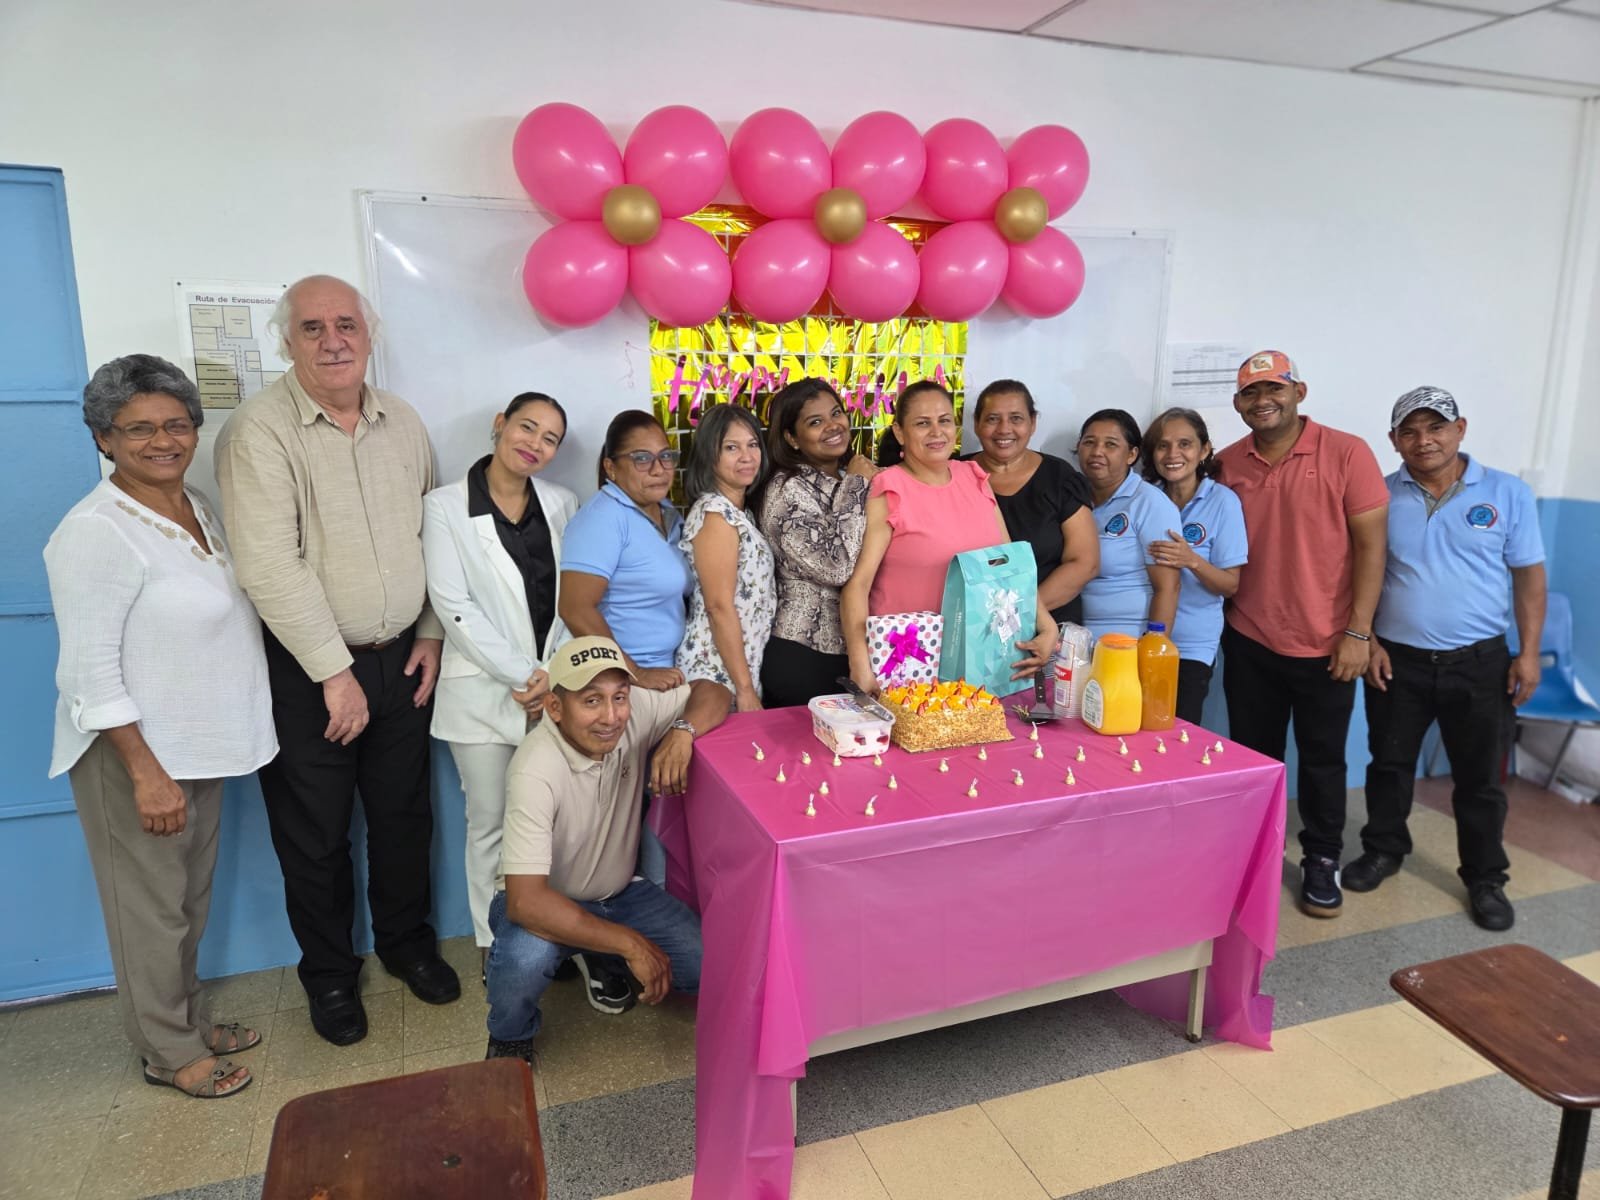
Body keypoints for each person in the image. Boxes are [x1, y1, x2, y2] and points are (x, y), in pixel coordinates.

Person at [216, 275, 459, 1047]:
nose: (333, 341)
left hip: (401, 660)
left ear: (369, 333)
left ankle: (406, 945)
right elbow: (267, 566)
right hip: (309, 672)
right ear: (287, 341)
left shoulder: (404, 422)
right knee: (315, 837)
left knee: (403, 818)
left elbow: (433, 534)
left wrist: (430, 631)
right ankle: (328, 974)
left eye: (346, 324)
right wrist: (331, 671)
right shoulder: (258, 432)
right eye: (313, 328)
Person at [45, 355, 277, 1098]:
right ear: (103, 438)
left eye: (176, 424)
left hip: (196, 746)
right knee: (148, 913)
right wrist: (145, 772)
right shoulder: (96, 531)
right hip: (135, 758)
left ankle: (183, 1021)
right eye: (138, 428)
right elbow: (88, 671)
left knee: (184, 905)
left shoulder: (195, 507)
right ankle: (167, 1051)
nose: (163, 441)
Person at [1348, 387, 1546, 931]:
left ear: (1460, 429)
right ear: (1394, 441)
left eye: (1436, 427)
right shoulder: (1380, 495)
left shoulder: (1507, 493)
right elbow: (1359, 573)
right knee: (1389, 765)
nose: (1424, 440)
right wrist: (1369, 641)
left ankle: (1485, 878)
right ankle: (1384, 850)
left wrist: (1528, 654)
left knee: (1480, 779)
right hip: (1397, 660)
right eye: (1410, 431)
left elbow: (1529, 578)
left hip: (1480, 663)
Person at [484, 637, 731, 1063]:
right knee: (524, 959)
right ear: (555, 707)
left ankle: (598, 952)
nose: (611, 716)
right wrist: (632, 944)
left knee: (706, 963)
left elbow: (714, 691)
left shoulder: (631, 715)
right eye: (591, 700)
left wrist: (682, 732)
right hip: (547, 901)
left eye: (619, 696)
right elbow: (525, 902)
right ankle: (510, 1036)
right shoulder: (533, 768)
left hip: (620, 893)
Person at [1215, 351, 1388, 920]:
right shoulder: (1227, 463)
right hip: (1250, 636)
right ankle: (1256, 853)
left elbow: (1372, 549)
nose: (1263, 400)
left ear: (1299, 392)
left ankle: (1321, 858)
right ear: (1238, 403)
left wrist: (1359, 632)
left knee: (1322, 761)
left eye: (1274, 388)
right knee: (1255, 757)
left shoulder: (1348, 452)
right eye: (1250, 392)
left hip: (1329, 643)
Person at [422, 392, 578, 965]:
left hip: (552, 689)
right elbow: (452, 604)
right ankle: (495, 948)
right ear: (499, 425)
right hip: (481, 693)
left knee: (547, 824)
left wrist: (551, 673)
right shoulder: (444, 506)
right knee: (489, 823)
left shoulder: (563, 503)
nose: (535, 444)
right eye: (527, 427)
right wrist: (525, 674)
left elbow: (573, 596)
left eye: (550, 438)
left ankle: (547, 936)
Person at [842, 380, 1058, 694]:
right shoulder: (888, 487)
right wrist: (859, 665)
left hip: (980, 659)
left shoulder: (974, 477)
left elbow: (1010, 568)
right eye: (922, 423)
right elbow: (858, 585)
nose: (936, 432)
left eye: (944, 421)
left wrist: (1047, 626)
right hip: (909, 661)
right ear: (900, 432)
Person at [755, 378, 876, 708]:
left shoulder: (846, 476)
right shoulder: (786, 489)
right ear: (791, 438)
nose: (832, 426)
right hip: (805, 655)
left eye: (836, 413)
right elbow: (835, 567)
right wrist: (857, 483)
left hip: (855, 650)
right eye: (815, 422)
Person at [559, 411, 692, 692]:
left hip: (671, 668)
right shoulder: (602, 518)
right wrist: (634, 672)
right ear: (611, 467)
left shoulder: (669, 514)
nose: (658, 469)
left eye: (665, 456)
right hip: (619, 681)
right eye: (642, 458)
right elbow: (575, 609)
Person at [1142, 408, 1248, 724]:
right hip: (1140, 637)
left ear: (1204, 450)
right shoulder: (1146, 498)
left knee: (1174, 735)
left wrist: (1192, 560)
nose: (1173, 454)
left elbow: (1230, 585)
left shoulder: (1222, 501)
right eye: (1163, 445)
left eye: (1185, 444)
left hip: (1189, 648)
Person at [966, 379, 1099, 627]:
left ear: (1033, 422)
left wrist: (1020, 610)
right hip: (971, 626)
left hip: (1050, 626)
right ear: (976, 423)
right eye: (993, 419)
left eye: (1016, 418)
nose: (1004, 429)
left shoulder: (1059, 477)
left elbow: (1084, 562)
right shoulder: (955, 474)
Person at [675, 404, 777, 711]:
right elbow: (718, 607)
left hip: (738, 666)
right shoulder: (715, 514)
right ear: (710, 455)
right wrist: (744, 689)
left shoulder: (739, 513)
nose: (747, 457)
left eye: (752, 445)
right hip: (715, 670)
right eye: (731, 447)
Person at [1076, 409, 1182, 641]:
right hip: (1073, 639)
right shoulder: (1070, 496)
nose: (1097, 451)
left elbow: (1168, 588)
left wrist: (1153, 648)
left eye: (1110, 444)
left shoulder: (1149, 502)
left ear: (1132, 454)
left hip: (1128, 640)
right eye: (1089, 442)